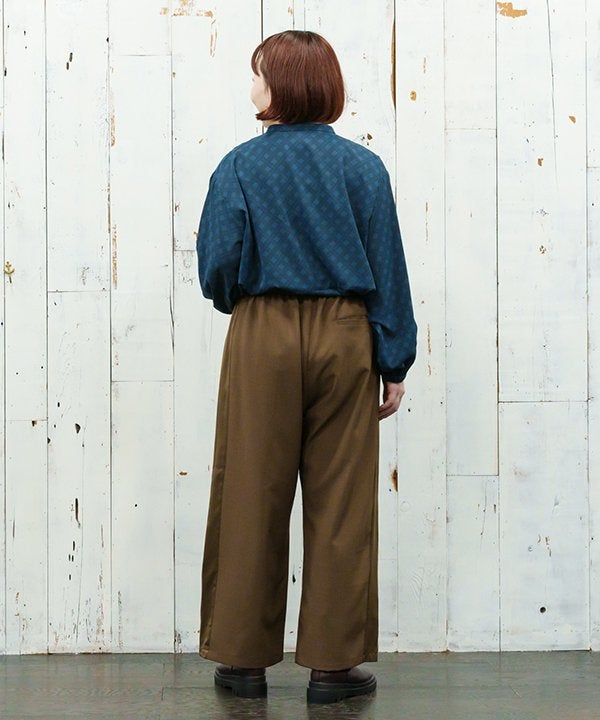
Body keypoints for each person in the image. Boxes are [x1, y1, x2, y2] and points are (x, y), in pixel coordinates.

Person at [196, 30, 417, 705]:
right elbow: (386, 266)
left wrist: (243, 300)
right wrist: (393, 358)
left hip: (262, 334)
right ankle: (332, 667)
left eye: (258, 74)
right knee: (342, 502)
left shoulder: (239, 166)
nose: (252, 86)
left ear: (282, 86)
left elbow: (218, 264)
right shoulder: (363, 169)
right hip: (345, 335)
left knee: (249, 492)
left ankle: (242, 661)